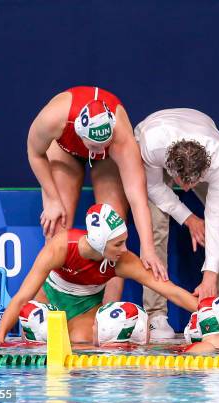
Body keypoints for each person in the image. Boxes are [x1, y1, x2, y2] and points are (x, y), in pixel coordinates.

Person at [27, 86, 165, 304]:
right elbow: (35, 153)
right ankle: (42, 312)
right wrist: (52, 200)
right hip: (65, 148)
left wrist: (148, 248)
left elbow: (137, 198)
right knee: (57, 229)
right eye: (93, 146)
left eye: (103, 145)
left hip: (110, 160)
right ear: (82, 134)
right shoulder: (55, 118)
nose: (96, 152)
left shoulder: (120, 139)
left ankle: (107, 316)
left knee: (114, 234)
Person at [0, 203, 198, 345]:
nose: (124, 249)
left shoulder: (122, 260)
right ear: (99, 242)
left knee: (82, 343)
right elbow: (22, 297)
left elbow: (171, 291)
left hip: (86, 306)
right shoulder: (61, 246)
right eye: (118, 243)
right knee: (37, 336)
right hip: (48, 297)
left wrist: (210, 313)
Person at [134, 108, 219, 339]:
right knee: (155, 224)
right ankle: (156, 315)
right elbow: (154, 188)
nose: (185, 189)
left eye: (193, 182)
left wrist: (209, 275)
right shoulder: (153, 146)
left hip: (204, 128)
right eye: (182, 182)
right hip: (153, 128)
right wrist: (189, 218)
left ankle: (217, 308)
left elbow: (217, 219)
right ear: (170, 167)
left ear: (205, 171)